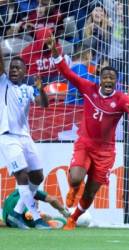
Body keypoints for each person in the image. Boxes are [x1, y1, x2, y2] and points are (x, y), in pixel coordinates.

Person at [46, 36, 129, 230]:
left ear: (116, 81)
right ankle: (73, 189)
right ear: (100, 78)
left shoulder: (122, 98)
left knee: (90, 193)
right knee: (76, 178)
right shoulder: (88, 88)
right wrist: (57, 55)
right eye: (105, 77)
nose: (108, 80)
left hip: (105, 152)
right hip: (85, 143)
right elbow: (67, 74)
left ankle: (73, 219)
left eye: (111, 78)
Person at [0, 45, 49, 229]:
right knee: (21, 174)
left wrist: (41, 89)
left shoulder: (29, 89)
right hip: (7, 136)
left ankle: (16, 214)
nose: (13, 70)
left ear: (25, 72)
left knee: (37, 175)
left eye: (18, 68)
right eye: (11, 67)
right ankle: (36, 219)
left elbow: (43, 105)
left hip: (24, 136)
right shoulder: (3, 83)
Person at [2, 189, 70, 228]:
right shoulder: (25, 199)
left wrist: (63, 211)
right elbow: (28, 215)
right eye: (37, 201)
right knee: (60, 222)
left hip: (7, 217)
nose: (38, 203)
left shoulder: (19, 191)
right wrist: (43, 216)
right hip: (14, 219)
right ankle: (50, 222)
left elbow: (53, 200)